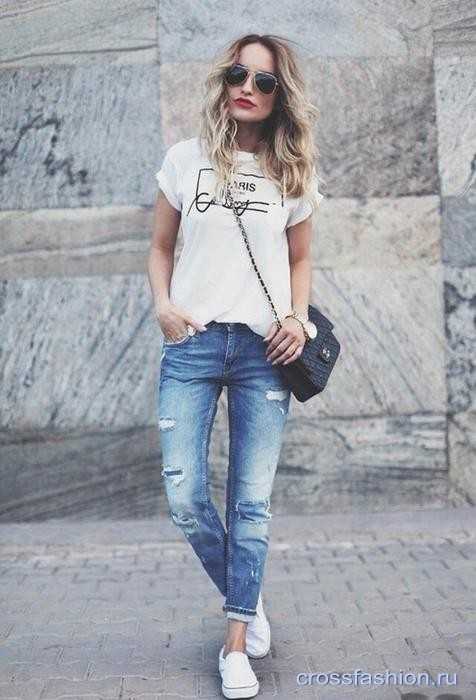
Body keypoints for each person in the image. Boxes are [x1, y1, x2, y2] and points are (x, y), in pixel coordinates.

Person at [147, 33, 324, 699]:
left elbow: (300, 259)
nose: (248, 87)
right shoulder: (184, 160)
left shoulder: (291, 170)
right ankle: (246, 594)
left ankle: (236, 643)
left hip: (262, 352)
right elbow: (160, 247)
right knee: (184, 496)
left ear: (281, 96)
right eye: (238, 74)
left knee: (251, 504)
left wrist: (298, 320)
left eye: (264, 81)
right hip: (191, 344)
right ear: (224, 81)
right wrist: (164, 306)